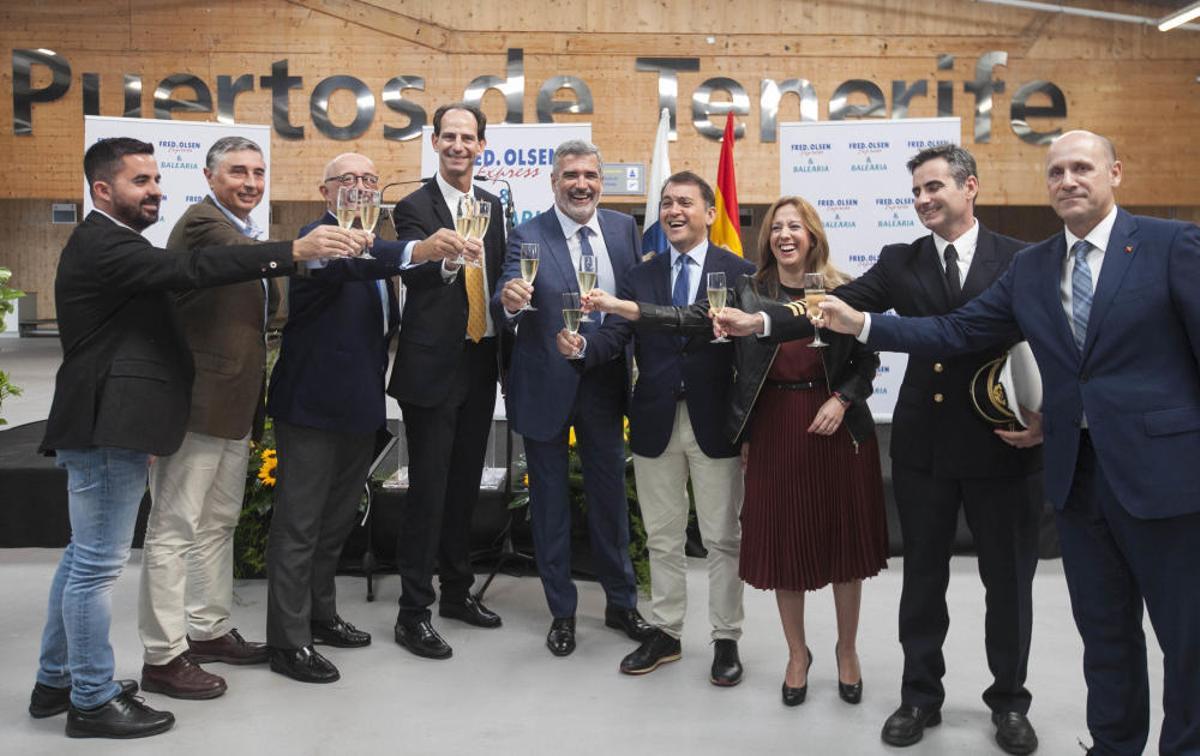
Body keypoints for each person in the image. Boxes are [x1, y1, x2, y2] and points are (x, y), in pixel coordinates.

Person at [814, 130, 1200, 756]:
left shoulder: (1172, 244)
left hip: (1165, 478)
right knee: (1105, 636)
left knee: (1186, 640)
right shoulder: (1035, 266)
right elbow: (956, 330)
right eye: (1056, 172)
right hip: (1076, 479)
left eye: (1082, 168)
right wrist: (862, 324)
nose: (1067, 181)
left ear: (1115, 173)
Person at [32, 137, 362, 739]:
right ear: (102, 189)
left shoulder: (118, 242)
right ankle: (95, 695)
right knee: (101, 564)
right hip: (110, 419)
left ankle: (58, 680)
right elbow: (192, 268)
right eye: (140, 181)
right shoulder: (116, 242)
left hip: (136, 414)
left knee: (89, 558)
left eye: (156, 179)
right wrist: (293, 250)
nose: (154, 190)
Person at [601, 195, 888, 706]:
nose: (784, 235)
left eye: (795, 226)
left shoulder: (842, 288)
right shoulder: (749, 290)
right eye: (776, 227)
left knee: (843, 549)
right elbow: (692, 317)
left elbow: (867, 361)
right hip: (775, 425)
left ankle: (847, 651)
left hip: (837, 427)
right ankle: (797, 655)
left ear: (813, 235)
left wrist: (843, 399)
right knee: (785, 546)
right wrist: (628, 309)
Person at [825, 144, 1043, 754]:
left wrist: (1047, 417)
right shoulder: (901, 260)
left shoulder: (1020, 259)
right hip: (926, 448)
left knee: (1009, 585)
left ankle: (1010, 702)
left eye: (933, 187)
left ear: (970, 187)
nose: (922, 200)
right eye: (916, 191)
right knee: (922, 582)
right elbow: (840, 306)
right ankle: (920, 696)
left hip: (1004, 445)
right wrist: (766, 319)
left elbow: (1052, 342)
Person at [264, 152, 452, 683]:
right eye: (347, 179)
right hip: (311, 408)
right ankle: (288, 642)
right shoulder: (319, 238)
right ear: (325, 191)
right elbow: (356, 261)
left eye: (370, 179)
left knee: (334, 524)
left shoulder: (370, 244)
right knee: (299, 526)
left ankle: (320, 615)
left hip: (359, 409)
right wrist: (418, 248)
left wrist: (436, 262)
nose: (361, 186)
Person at [558, 171, 752, 684]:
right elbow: (617, 335)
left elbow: (749, 354)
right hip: (653, 420)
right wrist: (583, 347)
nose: (673, 211)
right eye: (666, 203)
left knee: (722, 538)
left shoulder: (739, 271)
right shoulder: (639, 275)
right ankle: (666, 631)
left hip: (716, 423)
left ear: (710, 213)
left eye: (685, 202)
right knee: (663, 537)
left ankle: (726, 637)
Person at [493, 139, 654, 656]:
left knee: (610, 500)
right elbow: (505, 297)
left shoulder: (623, 229)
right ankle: (561, 612)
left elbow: (633, 304)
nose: (580, 184)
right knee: (550, 505)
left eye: (589, 175)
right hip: (545, 385)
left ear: (601, 181)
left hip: (604, 382)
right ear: (554, 182)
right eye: (570, 175)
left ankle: (621, 603)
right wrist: (510, 301)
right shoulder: (528, 234)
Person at [137, 136, 276, 702]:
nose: (250, 182)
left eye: (258, 172)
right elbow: (242, 258)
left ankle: (208, 629)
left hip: (235, 407)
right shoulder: (204, 224)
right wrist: (304, 248)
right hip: (196, 405)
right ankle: (163, 656)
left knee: (218, 524)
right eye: (238, 171)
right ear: (209, 176)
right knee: (172, 531)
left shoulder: (244, 231)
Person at [388, 103, 506, 660]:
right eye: (449, 136)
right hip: (432, 367)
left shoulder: (492, 205)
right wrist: (450, 260)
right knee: (428, 491)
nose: (459, 145)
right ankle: (413, 612)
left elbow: (499, 272)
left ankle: (457, 593)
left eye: (468, 137)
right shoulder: (413, 206)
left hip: (481, 359)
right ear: (434, 142)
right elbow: (414, 273)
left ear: (481, 146)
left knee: (465, 488)